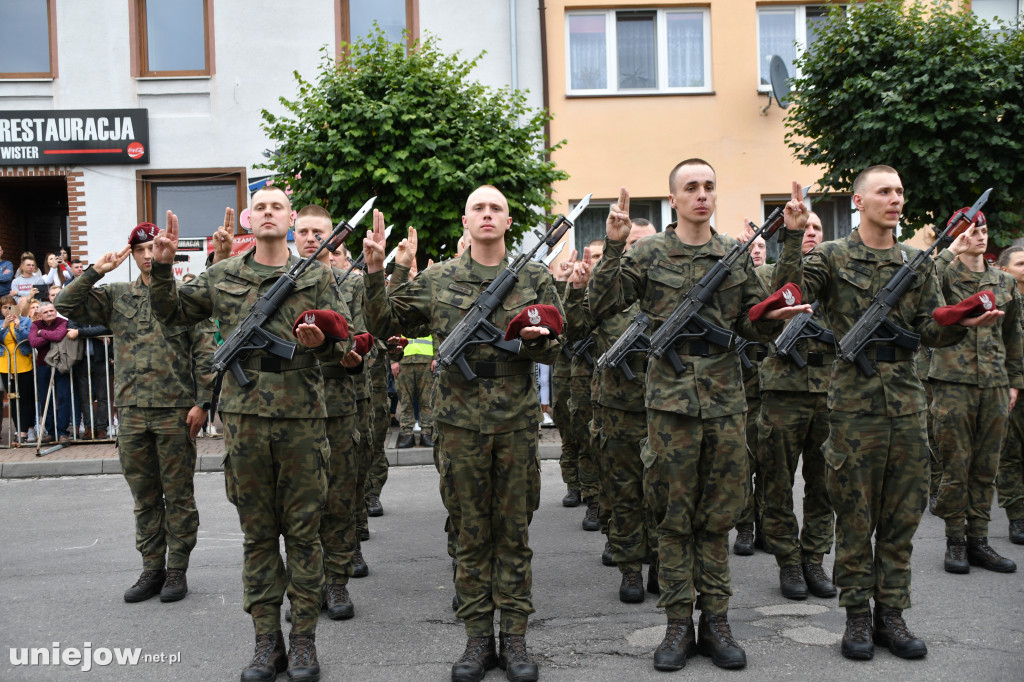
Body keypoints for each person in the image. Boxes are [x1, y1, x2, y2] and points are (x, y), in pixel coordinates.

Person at [772, 165, 1003, 661]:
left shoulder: (917, 262)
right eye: (884, 191)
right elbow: (789, 294)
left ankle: (891, 614)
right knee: (855, 518)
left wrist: (965, 319)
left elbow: (932, 328)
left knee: (901, 519)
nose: (895, 199)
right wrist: (793, 237)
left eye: (899, 191)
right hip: (853, 407)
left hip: (906, 403)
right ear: (858, 201)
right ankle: (857, 617)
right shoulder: (831, 256)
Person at [588, 164, 805, 672]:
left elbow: (770, 313)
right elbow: (600, 304)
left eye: (709, 187)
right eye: (692, 188)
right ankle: (677, 625)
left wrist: (791, 241)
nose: (702, 195)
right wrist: (614, 246)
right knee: (672, 517)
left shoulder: (731, 255)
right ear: (673, 198)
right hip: (669, 407)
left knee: (718, 516)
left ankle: (718, 622)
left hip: (726, 403)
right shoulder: (648, 253)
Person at [148, 185, 352, 682]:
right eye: (259, 206)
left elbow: (344, 349)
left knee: (304, 537)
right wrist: (160, 268)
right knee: (258, 536)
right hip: (244, 424)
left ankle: (303, 641)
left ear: (290, 219)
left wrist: (321, 342)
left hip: (304, 421)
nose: (267, 213)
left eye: (276, 206)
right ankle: (267, 644)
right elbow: (171, 314)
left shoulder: (320, 276)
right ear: (246, 218)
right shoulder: (223, 275)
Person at [362, 185, 562, 682]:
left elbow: (562, 344)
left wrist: (536, 343)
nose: (488, 215)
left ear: (509, 222)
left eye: (496, 208)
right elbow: (380, 320)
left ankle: (514, 639)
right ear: (466, 222)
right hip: (457, 424)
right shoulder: (438, 279)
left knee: (513, 531)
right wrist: (375, 271)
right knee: (470, 532)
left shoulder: (533, 276)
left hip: (515, 423)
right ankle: (476, 638)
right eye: (479, 208)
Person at [56, 222, 216, 602]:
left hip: (175, 410)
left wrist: (203, 402)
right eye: (140, 250)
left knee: (177, 494)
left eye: (153, 248)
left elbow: (205, 352)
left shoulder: (185, 297)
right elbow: (65, 306)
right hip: (130, 410)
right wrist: (96, 271)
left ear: (166, 252)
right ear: (133, 255)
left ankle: (177, 569)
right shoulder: (115, 296)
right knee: (144, 496)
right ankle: (152, 568)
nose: (148, 255)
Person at [564, 217, 658, 602]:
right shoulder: (606, 289)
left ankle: (661, 563)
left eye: (645, 243)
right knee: (622, 492)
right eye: (632, 243)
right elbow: (574, 330)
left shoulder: (669, 289)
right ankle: (630, 567)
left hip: (667, 405)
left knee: (665, 492)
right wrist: (575, 291)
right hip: (618, 407)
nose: (638, 250)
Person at [929, 212, 1022, 574]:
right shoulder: (945, 273)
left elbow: (1014, 336)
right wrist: (950, 249)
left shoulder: (1004, 281)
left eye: (983, 230)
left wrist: (1014, 382)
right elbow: (922, 285)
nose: (979, 236)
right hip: (954, 384)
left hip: (996, 385)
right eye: (971, 231)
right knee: (956, 466)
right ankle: (955, 541)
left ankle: (979, 541)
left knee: (986, 467)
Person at [756, 211, 838, 600]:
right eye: (803, 229)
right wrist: (790, 240)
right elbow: (784, 290)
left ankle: (814, 559)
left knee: (824, 484)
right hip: (783, 392)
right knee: (777, 482)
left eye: (816, 229)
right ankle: (788, 562)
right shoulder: (768, 276)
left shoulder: (838, 276)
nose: (810, 234)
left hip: (830, 392)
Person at [290, 204, 366, 621]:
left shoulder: (344, 284)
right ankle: (303, 587)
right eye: (304, 231)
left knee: (337, 498)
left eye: (320, 232)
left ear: (333, 238)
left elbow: (353, 342)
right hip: (290, 408)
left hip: (335, 405)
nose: (312, 239)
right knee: (299, 504)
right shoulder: (277, 283)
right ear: (293, 234)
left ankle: (335, 582)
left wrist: (345, 352)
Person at [996, 245, 1024, 544]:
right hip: (1013, 386)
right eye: (1021, 263)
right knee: (1011, 455)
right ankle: (1018, 516)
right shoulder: (1001, 301)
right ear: (1004, 271)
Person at [28, 301, 72, 444]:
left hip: (60, 364)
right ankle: (50, 432)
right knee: (45, 398)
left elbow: (59, 336)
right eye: (46, 312)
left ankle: (62, 432)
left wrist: (43, 334)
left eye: (51, 310)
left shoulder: (62, 322)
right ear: (40, 315)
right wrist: (48, 335)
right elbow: (33, 342)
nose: (49, 313)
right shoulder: (36, 325)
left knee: (64, 397)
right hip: (43, 365)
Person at [1, 295, 36, 444]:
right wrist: (4, 327)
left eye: (10, 306)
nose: (7, 310)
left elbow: (28, 338)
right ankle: (18, 430)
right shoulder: (1, 324)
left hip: (23, 364)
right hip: (5, 367)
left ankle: (26, 429)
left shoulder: (25, 321)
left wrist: (18, 326)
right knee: (13, 399)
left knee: (26, 398)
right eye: (4, 307)